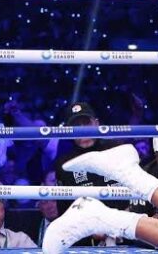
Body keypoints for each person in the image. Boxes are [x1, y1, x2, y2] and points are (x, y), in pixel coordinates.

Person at [53, 102, 126, 246]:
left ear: (97, 124)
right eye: (76, 126)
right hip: (87, 239)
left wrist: (122, 225)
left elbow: (137, 196)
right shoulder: (64, 164)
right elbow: (65, 211)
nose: (82, 130)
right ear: (68, 131)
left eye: (86, 123)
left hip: (127, 231)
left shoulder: (118, 150)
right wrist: (91, 230)